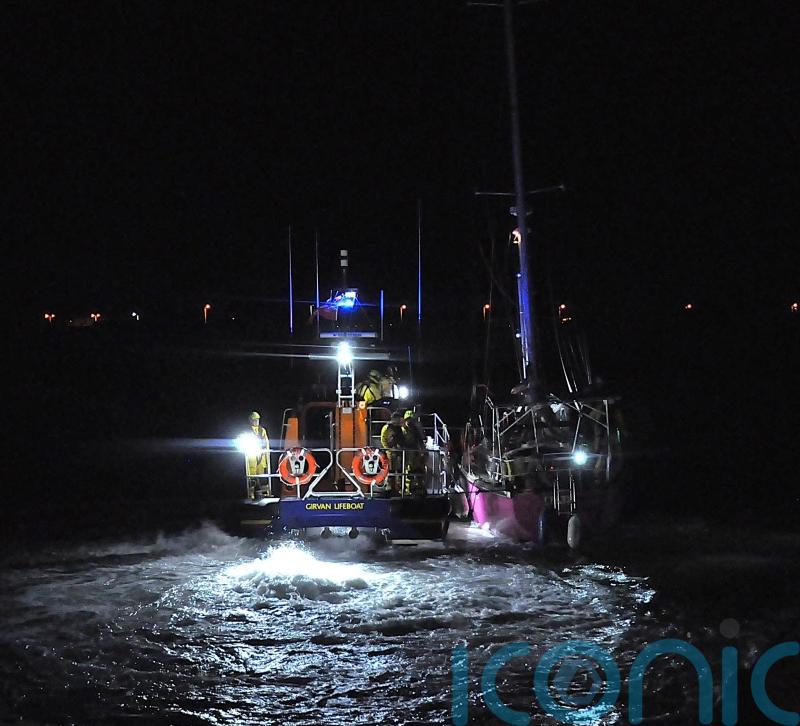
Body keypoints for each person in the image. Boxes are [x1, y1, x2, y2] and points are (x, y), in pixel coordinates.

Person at [380, 411, 406, 492]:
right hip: (390, 452)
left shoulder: (399, 428)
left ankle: (400, 487)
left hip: (399, 451)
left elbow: (402, 438)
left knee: (400, 470)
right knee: (390, 469)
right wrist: (388, 449)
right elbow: (383, 439)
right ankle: (390, 487)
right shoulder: (387, 427)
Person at [402, 409, 427, 494]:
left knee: (419, 471)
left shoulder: (416, 431)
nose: (411, 422)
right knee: (408, 473)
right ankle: (408, 490)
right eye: (409, 420)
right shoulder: (402, 430)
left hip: (416, 453)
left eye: (413, 420)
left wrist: (422, 452)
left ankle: (419, 488)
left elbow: (422, 439)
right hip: (407, 454)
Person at [246, 411, 270, 497]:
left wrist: (267, 455)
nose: (256, 421)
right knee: (252, 475)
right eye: (254, 420)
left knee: (262, 475)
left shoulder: (262, 430)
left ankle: (265, 493)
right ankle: (251, 494)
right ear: (250, 420)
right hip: (251, 456)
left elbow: (266, 443)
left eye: (257, 419)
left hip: (261, 455)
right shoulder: (247, 431)